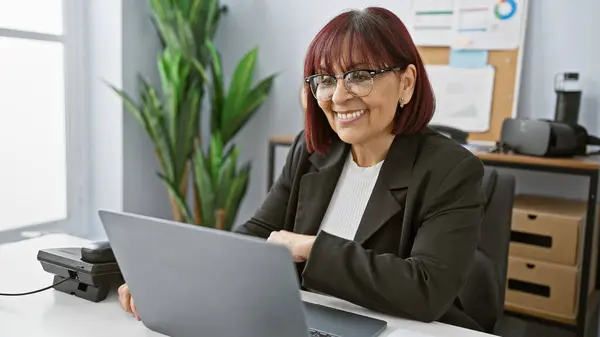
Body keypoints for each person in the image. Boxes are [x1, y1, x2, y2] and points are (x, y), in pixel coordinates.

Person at [119, 6, 491, 332]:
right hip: (312, 322)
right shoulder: (314, 150)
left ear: (406, 83)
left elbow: (425, 289)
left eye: (360, 75)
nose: (339, 96)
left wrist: (313, 248)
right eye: (325, 80)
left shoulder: (451, 169)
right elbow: (260, 232)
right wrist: (175, 280)